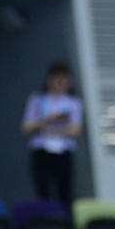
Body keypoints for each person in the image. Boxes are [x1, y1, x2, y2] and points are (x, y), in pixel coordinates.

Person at [20, 63, 84, 203]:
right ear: (49, 80)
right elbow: (26, 127)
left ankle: (63, 222)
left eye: (64, 79)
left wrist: (47, 129)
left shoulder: (73, 102)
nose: (60, 83)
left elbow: (75, 130)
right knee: (42, 191)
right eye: (56, 78)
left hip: (63, 152)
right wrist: (50, 119)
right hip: (41, 151)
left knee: (65, 192)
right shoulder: (37, 100)